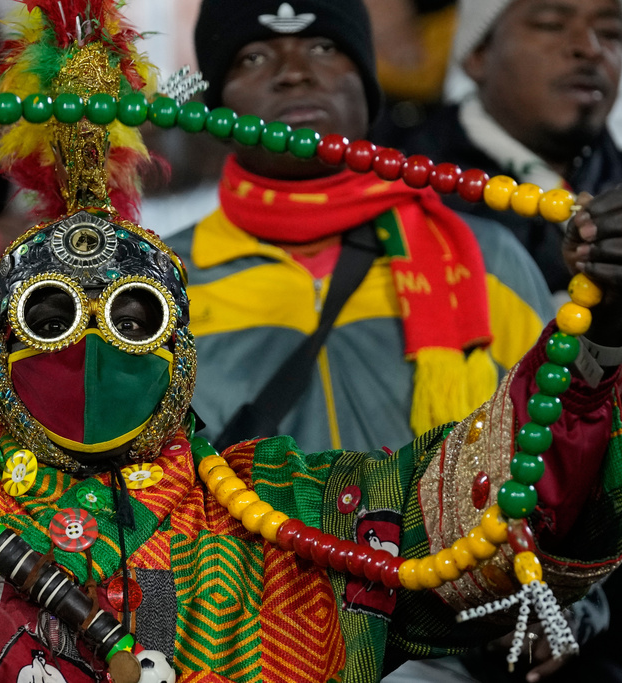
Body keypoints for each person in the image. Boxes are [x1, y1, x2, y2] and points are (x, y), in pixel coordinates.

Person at [0, 1, 622, 682]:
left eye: (131, 313)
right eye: (47, 312)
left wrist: (597, 327)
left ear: (179, 343)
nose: (88, 340)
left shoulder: (298, 511)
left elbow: (498, 508)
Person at [168, 0, 552, 457]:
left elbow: (554, 450)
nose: (294, 72)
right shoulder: (168, 284)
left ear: (368, 88)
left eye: (325, 47)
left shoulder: (487, 257)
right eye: (253, 57)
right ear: (216, 108)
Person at [401, 0, 622, 296]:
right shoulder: (406, 184)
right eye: (550, 25)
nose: (589, 47)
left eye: (610, 33)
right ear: (478, 54)